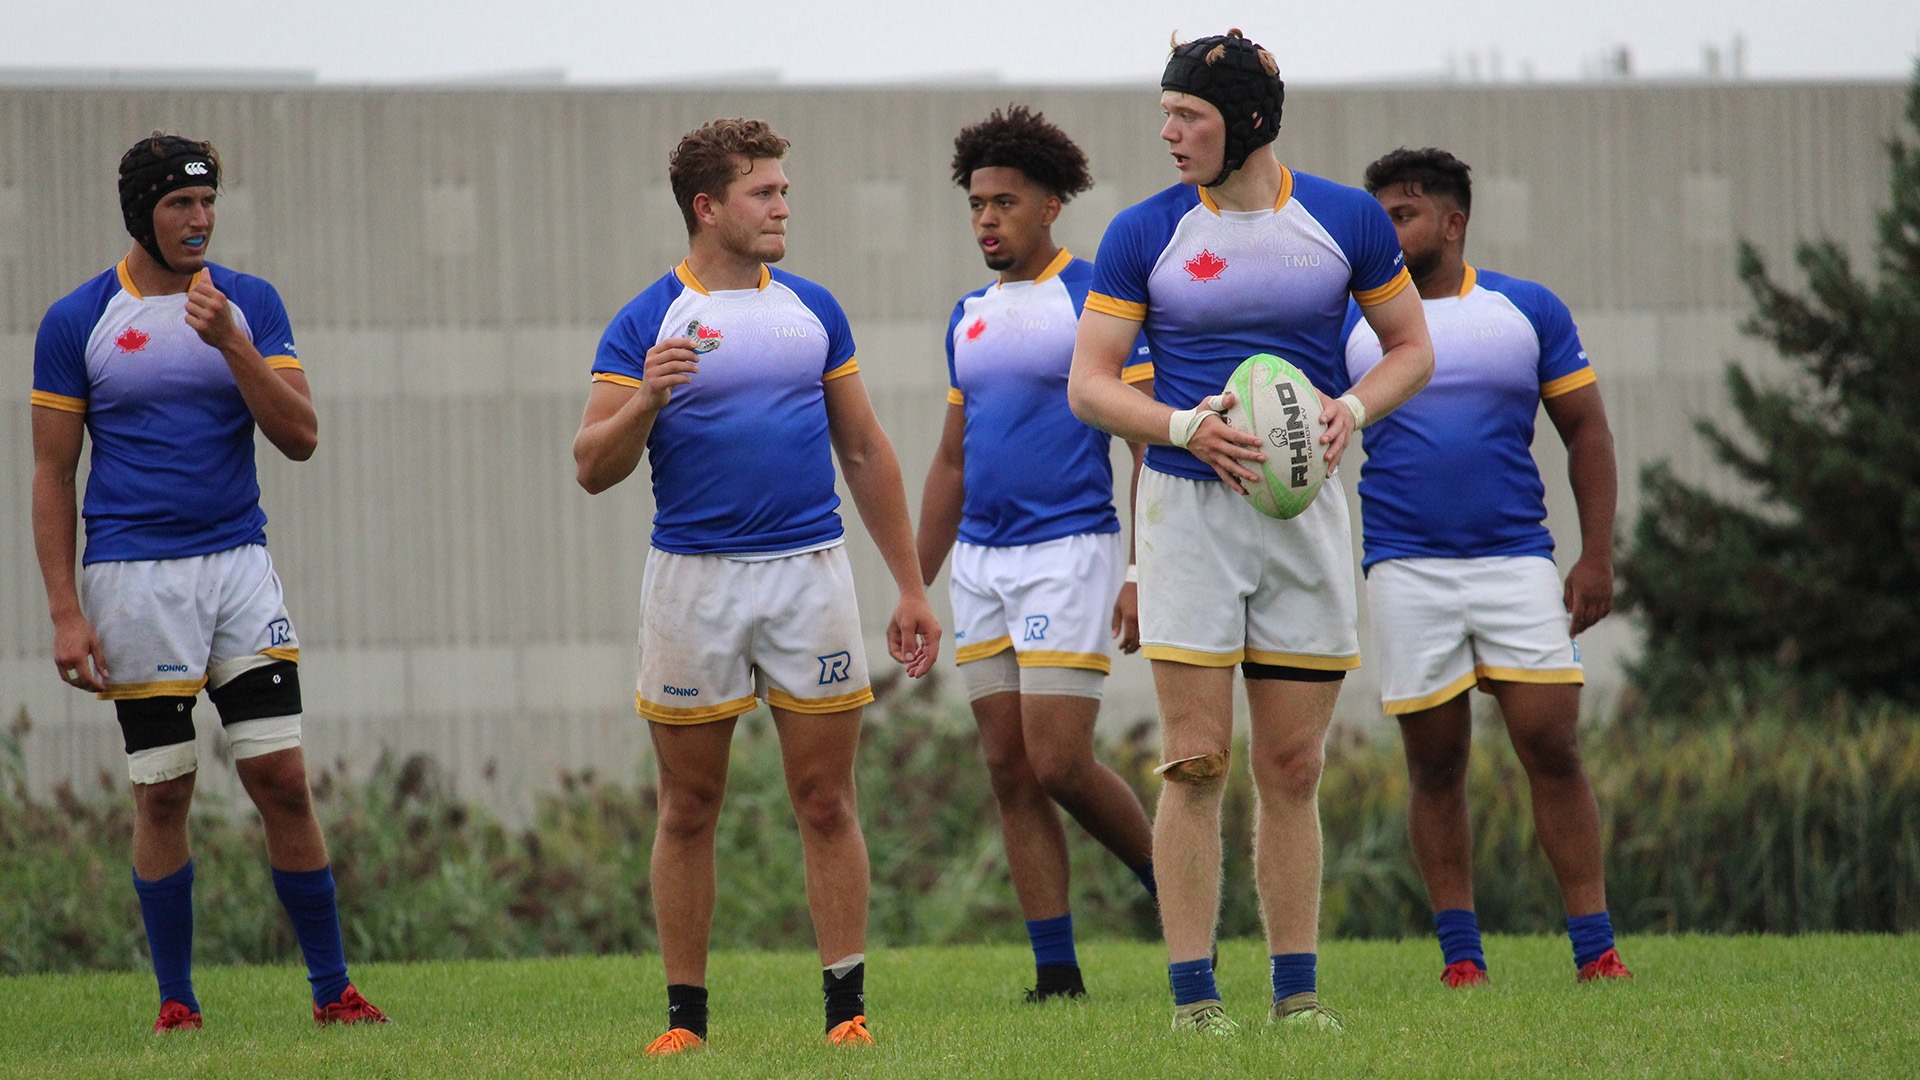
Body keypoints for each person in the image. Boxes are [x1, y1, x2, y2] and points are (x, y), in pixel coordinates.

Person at [1067, 29, 1435, 1033]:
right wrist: (1183, 425)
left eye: (1188, 116)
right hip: (1187, 511)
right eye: (1165, 114)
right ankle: (1194, 1003)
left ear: (1250, 123)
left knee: (1294, 769)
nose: (1169, 133)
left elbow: (1411, 350)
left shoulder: (1346, 221)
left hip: (1306, 513)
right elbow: (1089, 382)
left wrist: (1350, 412)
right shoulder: (1145, 233)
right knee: (1195, 760)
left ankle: (1298, 999)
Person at [573, 118, 941, 1054]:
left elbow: (863, 449)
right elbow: (590, 466)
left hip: (806, 573)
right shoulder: (645, 319)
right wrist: (646, 397)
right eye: (763, 192)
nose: (783, 206)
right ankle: (685, 1025)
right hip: (690, 583)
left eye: (783, 189)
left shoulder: (813, 308)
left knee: (826, 802)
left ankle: (847, 1015)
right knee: (689, 807)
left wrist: (909, 585)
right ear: (707, 207)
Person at [30, 133, 386, 1033]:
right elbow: (50, 474)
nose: (199, 220)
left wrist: (232, 341)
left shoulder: (250, 303)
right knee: (164, 789)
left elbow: (301, 436)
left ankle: (332, 990)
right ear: (141, 212)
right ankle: (177, 1003)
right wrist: (65, 612)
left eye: (208, 203)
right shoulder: (78, 320)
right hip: (132, 580)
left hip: (238, 570)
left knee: (282, 781)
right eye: (181, 204)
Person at [1344, 146, 1631, 987]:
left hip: (1517, 562)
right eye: (1380, 217)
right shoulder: (1350, 324)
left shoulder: (1525, 310)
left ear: (1453, 222)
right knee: (1436, 761)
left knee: (1553, 744)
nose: (1387, 231)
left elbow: (1588, 433)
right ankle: (1462, 959)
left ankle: (1596, 948)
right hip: (1404, 567)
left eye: (1402, 214)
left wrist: (1598, 555)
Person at [915, 105, 1159, 1003]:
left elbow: (1145, 448)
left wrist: (1140, 570)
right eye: (976, 203)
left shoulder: (1095, 297)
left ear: (1051, 205)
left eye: (1004, 202)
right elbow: (951, 459)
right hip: (980, 563)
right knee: (1011, 772)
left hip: (1071, 551)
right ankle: (1057, 975)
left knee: (1058, 761)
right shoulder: (968, 315)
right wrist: (914, 583)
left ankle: (1173, 888)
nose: (986, 218)